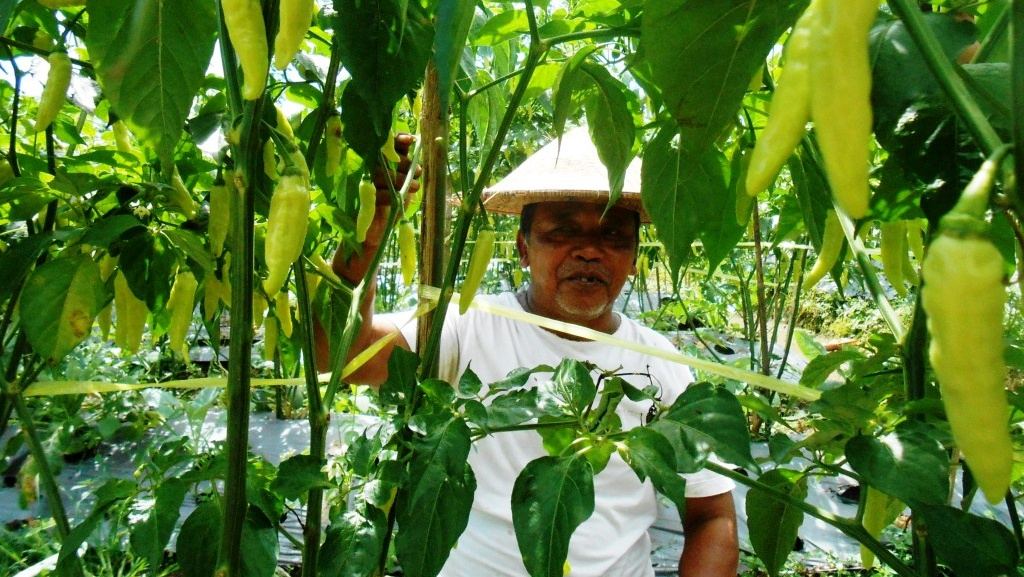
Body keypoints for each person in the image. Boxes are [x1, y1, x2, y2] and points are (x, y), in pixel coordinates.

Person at [322, 129, 739, 577]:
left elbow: (713, 516)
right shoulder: (466, 325)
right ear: (523, 248)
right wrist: (367, 234)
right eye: (562, 230)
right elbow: (342, 356)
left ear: (635, 256)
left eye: (614, 235)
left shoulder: (664, 366)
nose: (589, 250)